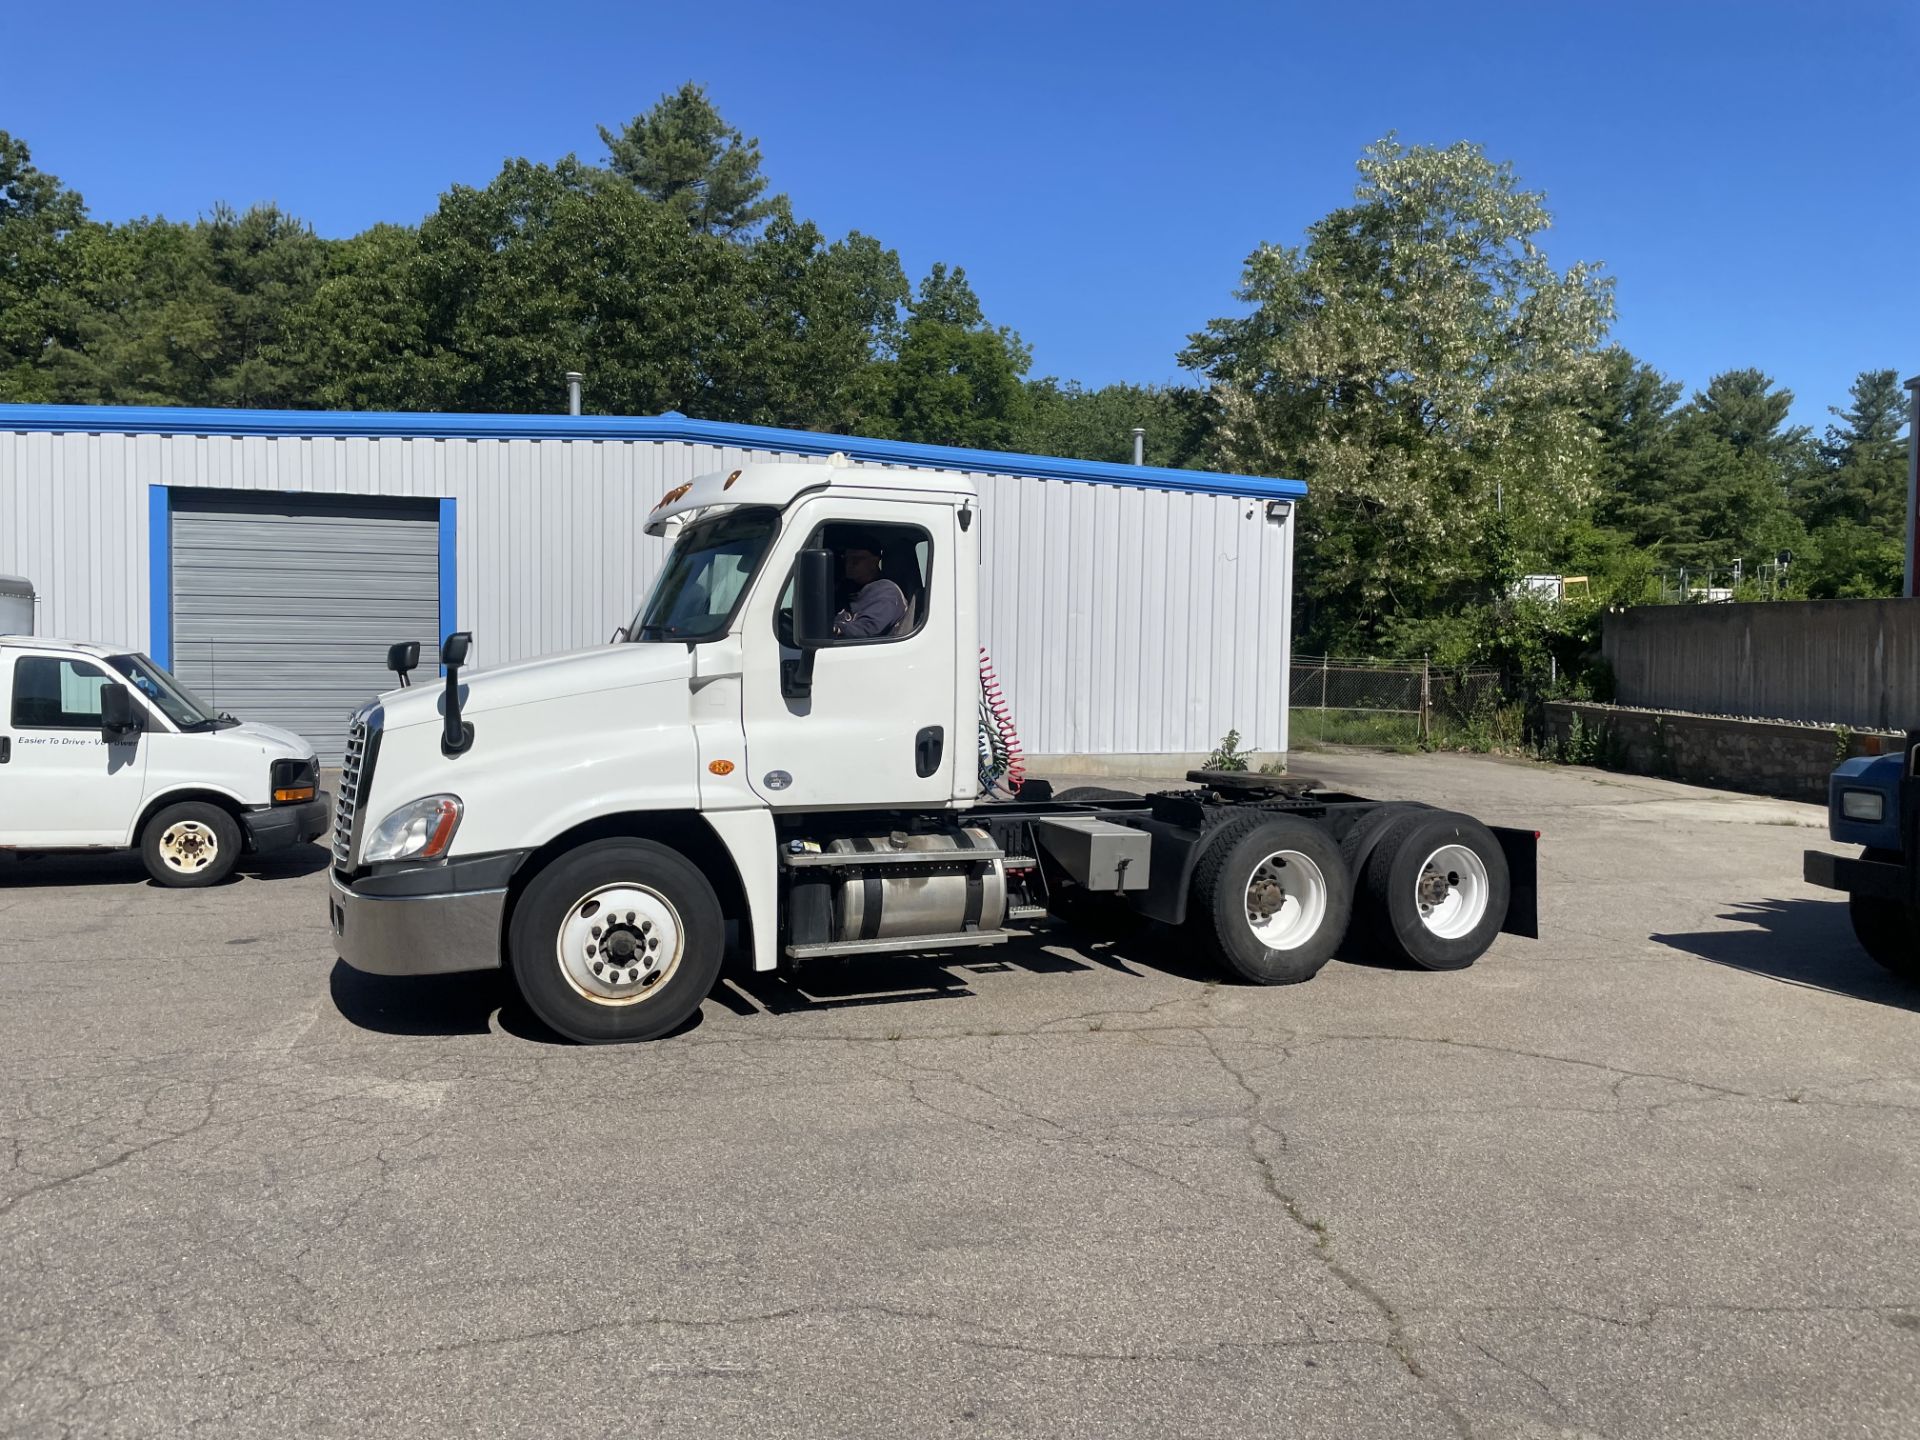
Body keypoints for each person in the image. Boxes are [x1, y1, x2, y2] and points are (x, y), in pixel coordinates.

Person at [832, 532, 907, 638]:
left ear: (875, 560)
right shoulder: (846, 588)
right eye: (847, 559)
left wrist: (836, 629)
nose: (849, 564)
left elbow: (867, 629)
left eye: (856, 559)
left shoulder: (887, 592)